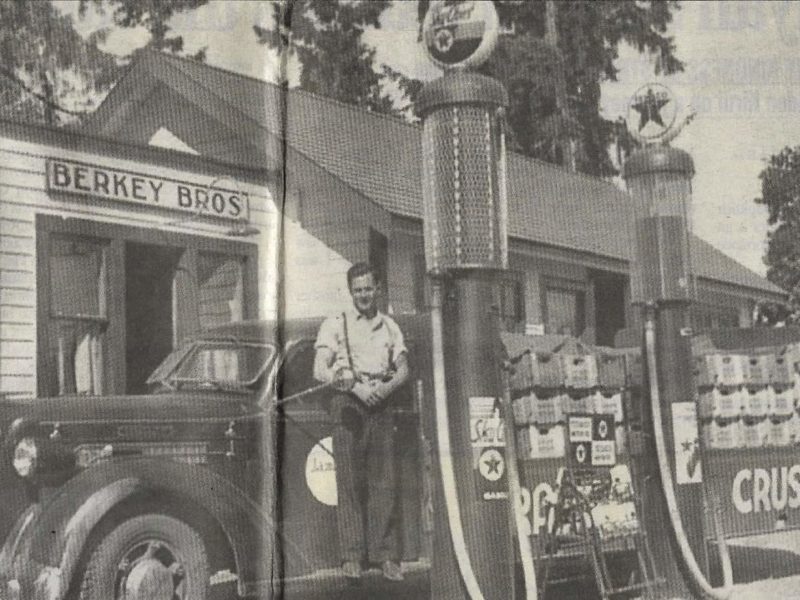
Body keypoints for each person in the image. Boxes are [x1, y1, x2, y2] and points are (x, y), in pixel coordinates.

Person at [313, 262, 409, 582]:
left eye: (368, 288)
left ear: (377, 288)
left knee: (383, 480)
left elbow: (404, 370)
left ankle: (386, 557)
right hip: (347, 403)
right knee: (350, 482)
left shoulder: (390, 327)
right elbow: (319, 369)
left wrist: (384, 389)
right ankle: (351, 556)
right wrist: (353, 386)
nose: (363, 295)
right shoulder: (335, 324)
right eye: (358, 290)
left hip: (381, 402)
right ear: (350, 291)